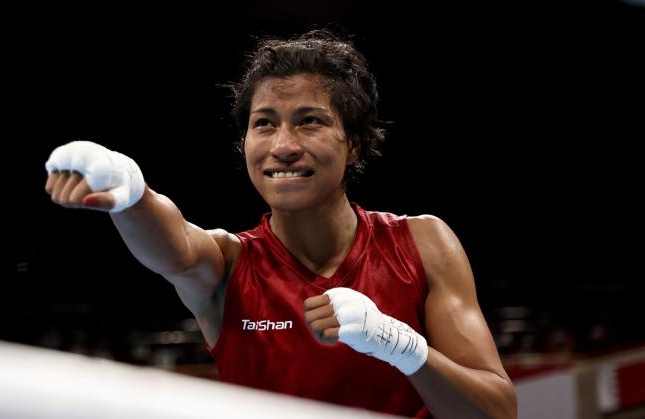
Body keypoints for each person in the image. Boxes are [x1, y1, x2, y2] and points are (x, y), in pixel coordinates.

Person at [44, 30, 517, 418]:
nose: (283, 145)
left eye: (309, 121)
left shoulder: (422, 242)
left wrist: (399, 344)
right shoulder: (228, 265)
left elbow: (497, 412)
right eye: (264, 123)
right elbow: (179, 248)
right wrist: (129, 192)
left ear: (353, 143)